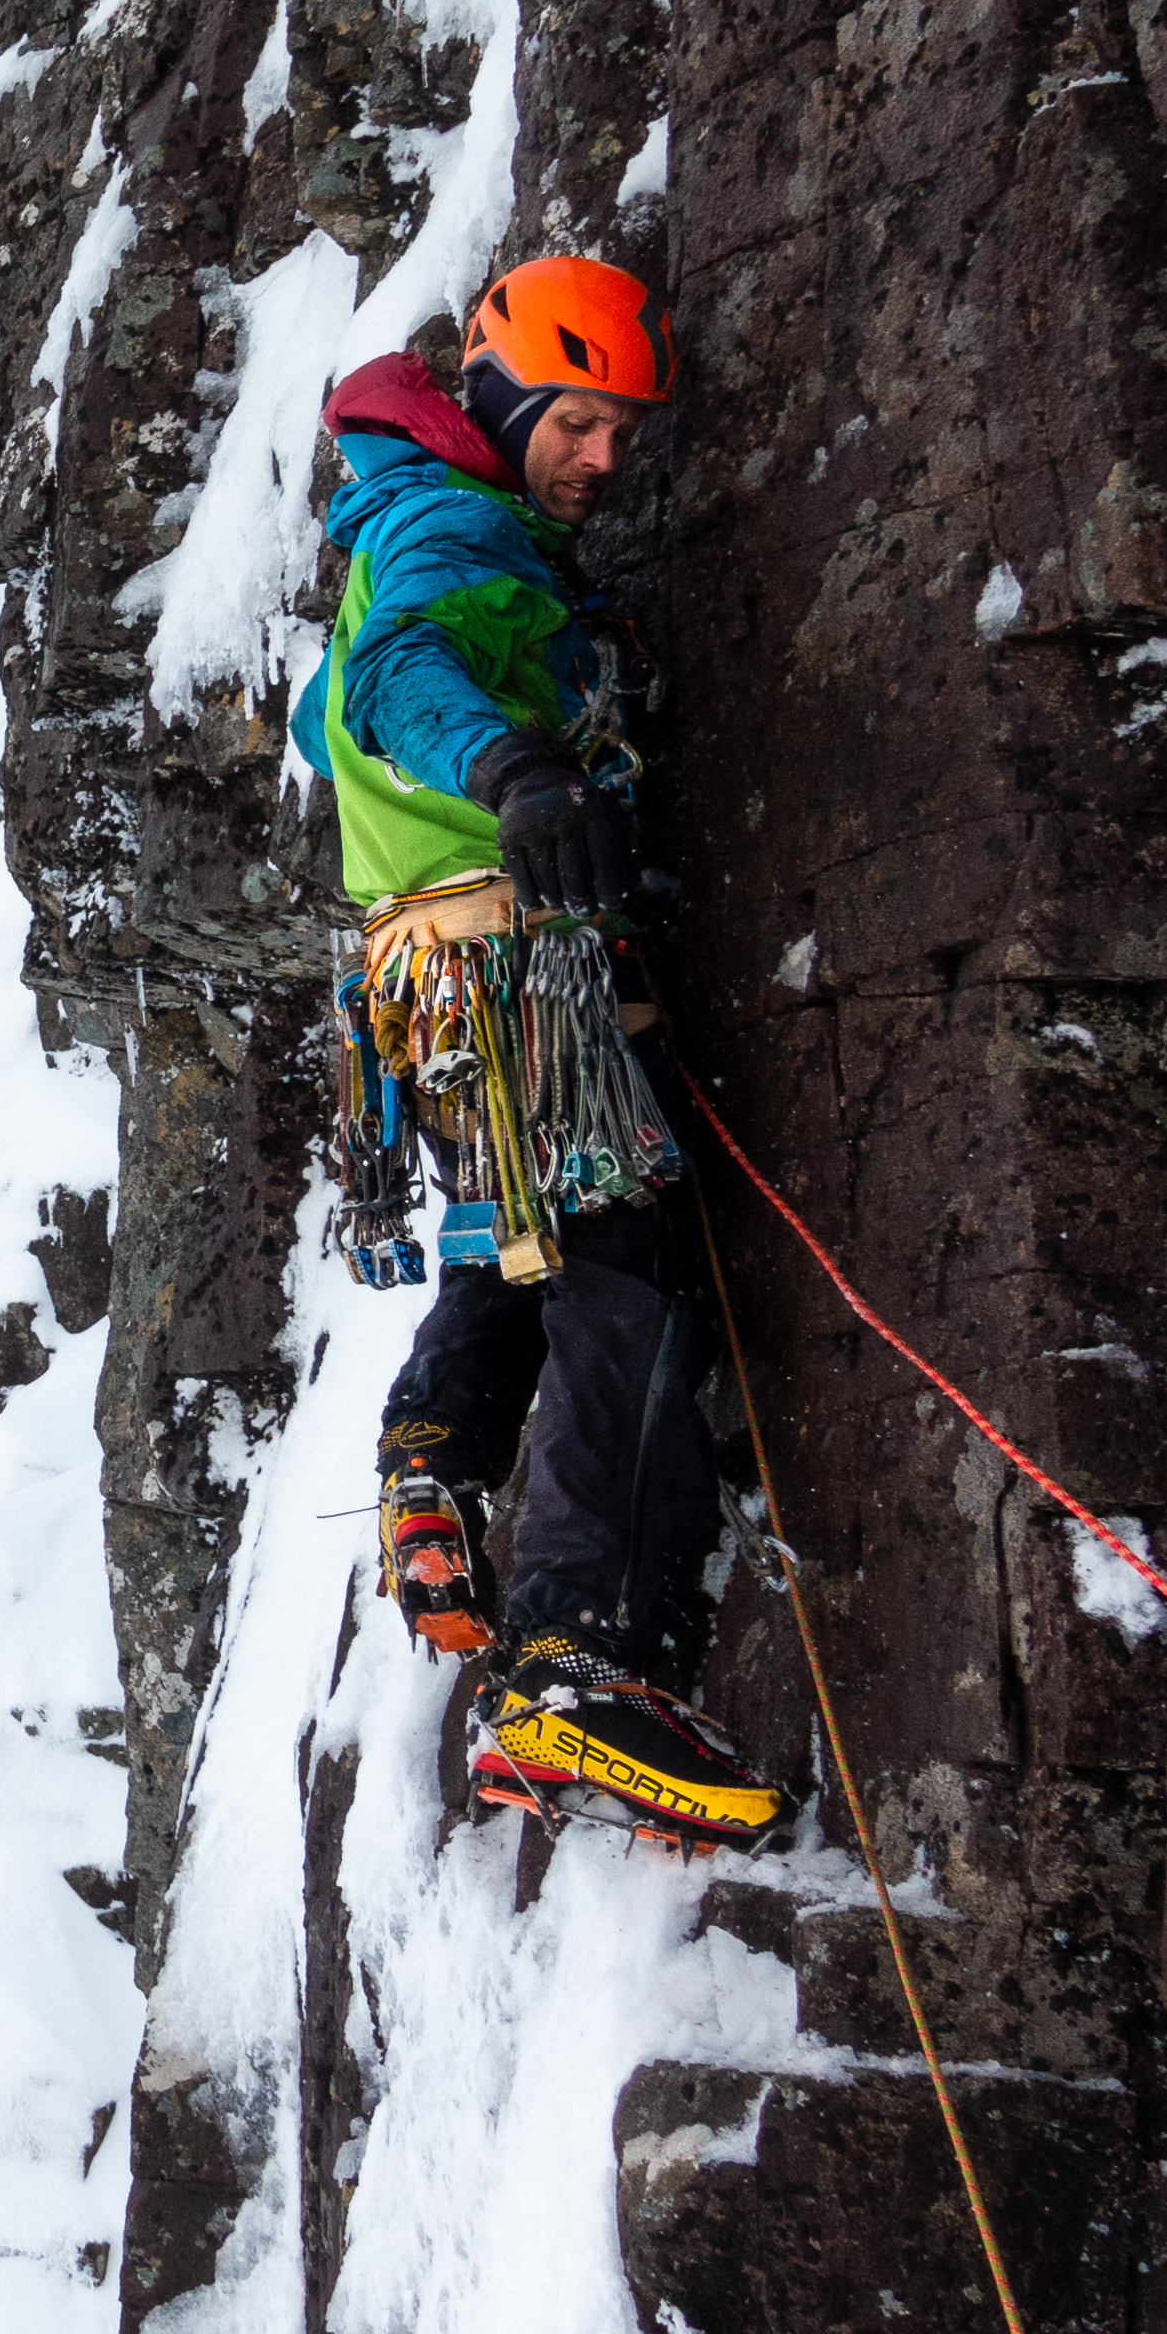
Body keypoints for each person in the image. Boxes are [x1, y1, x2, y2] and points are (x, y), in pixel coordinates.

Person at [288, 254, 790, 1851]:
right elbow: (387, 685)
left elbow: (318, 719)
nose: (602, 462)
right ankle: (579, 1663)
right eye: (579, 423)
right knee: (621, 1274)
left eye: (622, 435)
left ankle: (435, 1467)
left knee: (524, 1247)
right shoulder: (455, 520)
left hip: (429, 974)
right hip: (509, 955)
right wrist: (512, 764)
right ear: (502, 400)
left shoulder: (402, 510)